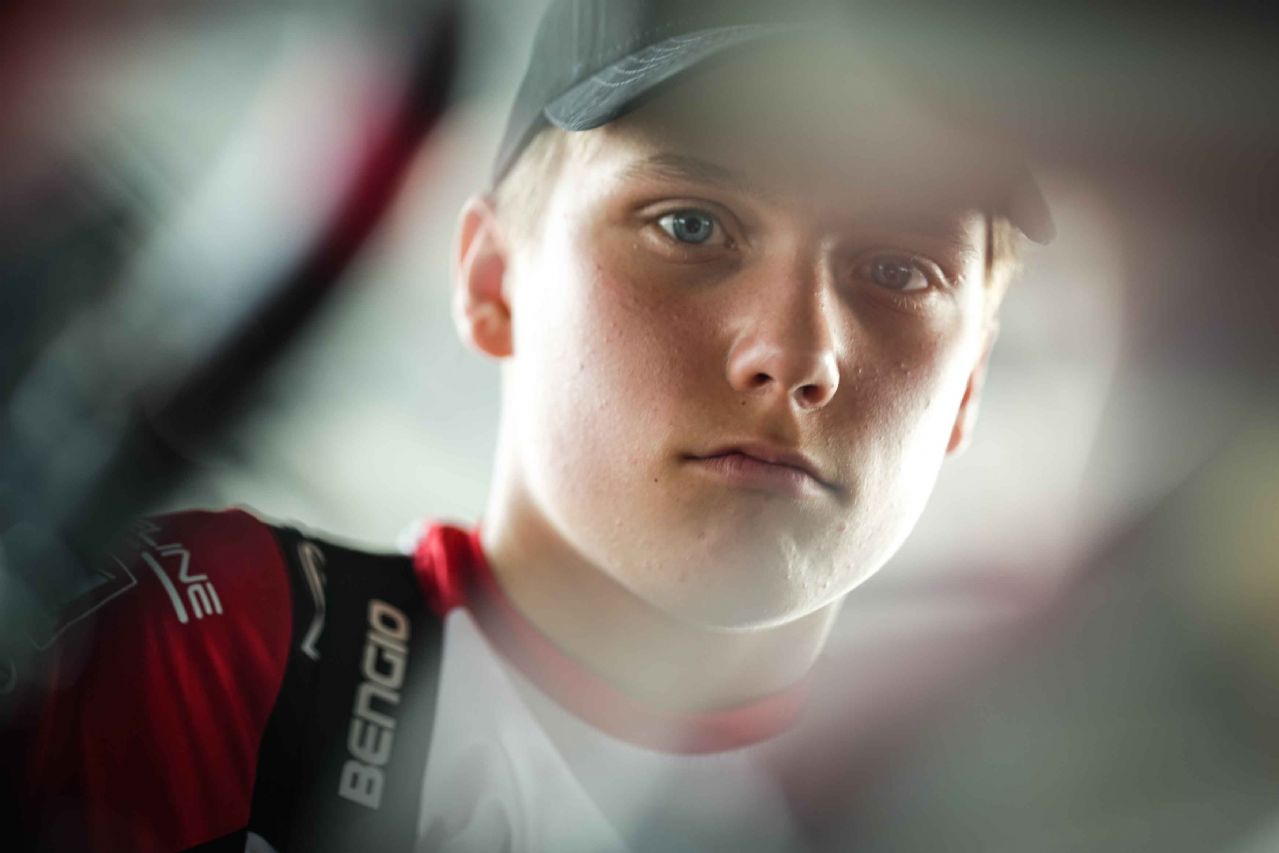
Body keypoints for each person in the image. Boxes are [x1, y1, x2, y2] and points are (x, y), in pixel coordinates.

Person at [7, 1, 1052, 850]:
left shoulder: (1019, 809)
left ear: (965, 384)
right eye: (690, 224)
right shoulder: (221, 647)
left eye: (898, 270)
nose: (794, 352)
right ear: (492, 279)